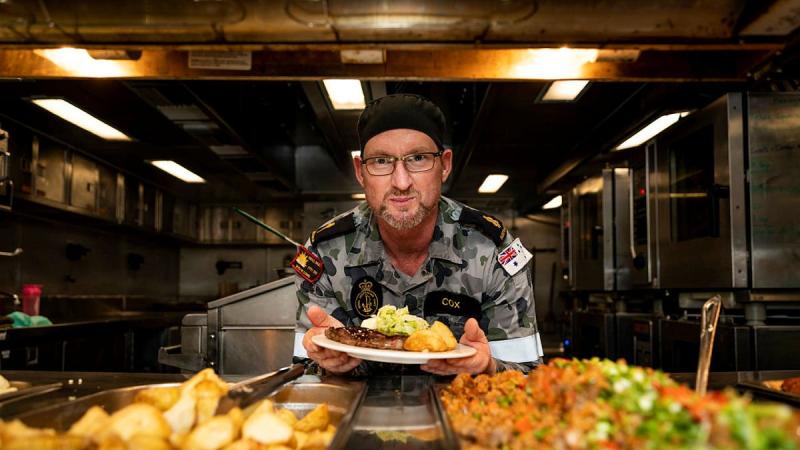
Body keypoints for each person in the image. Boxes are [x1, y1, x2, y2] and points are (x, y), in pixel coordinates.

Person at [293, 93, 542, 376]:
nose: (401, 182)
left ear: (445, 165)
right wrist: (325, 362)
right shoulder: (324, 252)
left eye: (419, 158)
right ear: (361, 172)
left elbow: (530, 374)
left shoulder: (493, 248)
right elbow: (302, 373)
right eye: (381, 161)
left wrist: (487, 366)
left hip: (460, 413)